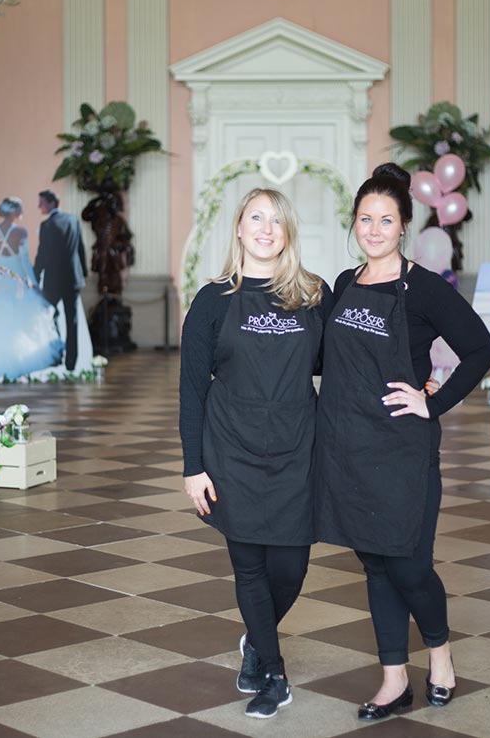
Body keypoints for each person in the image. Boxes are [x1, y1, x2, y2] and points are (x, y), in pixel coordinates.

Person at [312, 163, 490, 721]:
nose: (373, 229)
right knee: (374, 566)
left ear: (404, 224)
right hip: (346, 448)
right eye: (365, 219)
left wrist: (432, 400)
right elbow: (322, 360)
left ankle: (440, 656)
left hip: (402, 451)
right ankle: (393, 679)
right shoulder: (343, 284)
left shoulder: (422, 289)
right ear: (355, 224)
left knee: (410, 565)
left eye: (385, 219)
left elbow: (481, 349)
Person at [180, 188, 333, 719]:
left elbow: (342, 370)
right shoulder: (212, 300)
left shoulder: (314, 294)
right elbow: (192, 388)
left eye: (276, 220)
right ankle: (273, 671)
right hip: (231, 453)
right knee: (249, 569)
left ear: (287, 232)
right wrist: (192, 467)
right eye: (256, 218)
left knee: (290, 568)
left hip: (298, 452)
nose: (266, 229)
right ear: (240, 229)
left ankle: (254, 641)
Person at [0, 196, 64, 378]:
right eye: (20, 208)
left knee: (0, 324)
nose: (22, 212)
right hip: (17, 284)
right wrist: (34, 284)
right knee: (22, 324)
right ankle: (23, 361)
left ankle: (1, 363)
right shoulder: (20, 233)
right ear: (14, 211)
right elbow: (24, 262)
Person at [34, 190, 89, 371]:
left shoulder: (47, 225)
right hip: (73, 278)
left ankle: (57, 354)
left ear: (51, 203)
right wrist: (84, 273)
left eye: (41, 203)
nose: (39, 206)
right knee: (72, 321)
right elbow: (80, 248)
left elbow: (42, 254)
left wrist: (35, 274)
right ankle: (71, 361)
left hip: (54, 280)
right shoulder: (73, 220)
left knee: (49, 315)